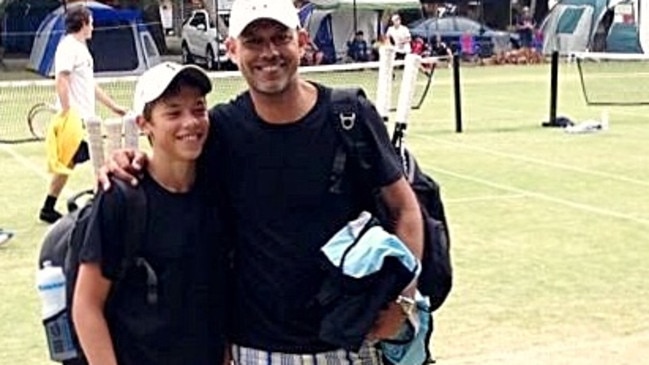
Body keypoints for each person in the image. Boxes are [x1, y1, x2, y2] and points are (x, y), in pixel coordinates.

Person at [102, 0, 423, 363]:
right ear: (232, 49)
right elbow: (173, 172)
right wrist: (131, 161)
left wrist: (405, 298)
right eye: (254, 41)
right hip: (256, 348)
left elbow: (405, 207)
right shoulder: (221, 130)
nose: (269, 52)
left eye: (280, 37)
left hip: (350, 342)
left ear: (301, 41)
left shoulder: (350, 115)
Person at [73, 62, 227, 365]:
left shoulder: (216, 193)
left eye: (198, 109)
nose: (190, 122)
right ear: (144, 123)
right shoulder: (121, 198)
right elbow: (86, 304)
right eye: (173, 112)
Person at [38, 5, 126, 224]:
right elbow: (62, 79)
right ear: (83, 23)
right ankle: (103, 203)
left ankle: (48, 207)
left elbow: (90, 84)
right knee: (97, 158)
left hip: (85, 119)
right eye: (91, 22)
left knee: (70, 163)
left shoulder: (81, 48)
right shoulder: (68, 47)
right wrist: (68, 113)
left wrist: (113, 106)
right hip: (75, 121)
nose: (93, 27)